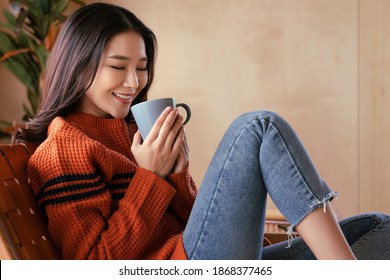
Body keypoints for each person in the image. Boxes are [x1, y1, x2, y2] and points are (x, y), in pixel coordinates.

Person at [12, 2, 390, 260]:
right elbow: (96, 264)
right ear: (79, 66)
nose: (134, 82)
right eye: (118, 66)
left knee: (379, 226)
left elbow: (199, 224)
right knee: (257, 128)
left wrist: (176, 173)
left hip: (205, 258)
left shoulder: (132, 131)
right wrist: (149, 176)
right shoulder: (63, 149)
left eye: (141, 67)